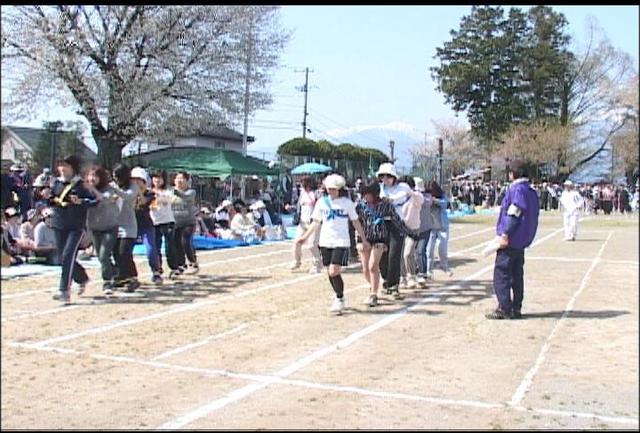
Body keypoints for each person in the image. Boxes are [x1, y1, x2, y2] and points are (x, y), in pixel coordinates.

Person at [296, 174, 369, 315]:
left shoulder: (347, 203)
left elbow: (355, 221)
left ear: (340, 189)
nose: (331, 191)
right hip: (325, 241)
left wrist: (363, 238)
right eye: (328, 189)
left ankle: (339, 298)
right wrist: (304, 237)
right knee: (329, 271)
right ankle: (339, 295)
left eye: (334, 189)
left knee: (334, 270)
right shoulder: (321, 203)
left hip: (341, 241)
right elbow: (315, 222)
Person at [486, 159, 539, 320]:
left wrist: (506, 233)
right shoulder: (530, 190)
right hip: (522, 239)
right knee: (517, 274)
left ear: (513, 173)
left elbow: (514, 212)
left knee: (502, 273)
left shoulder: (517, 189)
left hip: (512, 238)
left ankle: (504, 307)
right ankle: (516, 307)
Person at [355, 181, 415, 307]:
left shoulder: (385, 205)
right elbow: (356, 222)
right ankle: (373, 286)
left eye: (369, 193)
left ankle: (373, 295)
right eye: (364, 193)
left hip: (380, 238)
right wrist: (357, 239)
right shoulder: (360, 205)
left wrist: (410, 233)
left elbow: (396, 220)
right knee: (365, 269)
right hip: (364, 238)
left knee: (373, 266)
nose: (367, 196)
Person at [49, 155, 95, 303]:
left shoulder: (80, 185)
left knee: (68, 254)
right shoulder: (56, 183)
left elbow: (94, 201)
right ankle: (82, 277)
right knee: (63, 257)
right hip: (59, 224)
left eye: (65, 166)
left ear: (73, 168)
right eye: (60, 165)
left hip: (75, 226)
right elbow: (51, 200)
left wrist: (80, 201)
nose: (62, 169)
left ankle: (64, 290)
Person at [376, 162, 412, 296]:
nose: (385, 179)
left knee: (394, 255)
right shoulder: (379, 187)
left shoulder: (402, 187)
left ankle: (394, 284)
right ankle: (385, 279)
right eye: (382, 176)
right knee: (382, 255)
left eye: (388, 176)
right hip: (382, 224)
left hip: (397, 224)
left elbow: (406, 194)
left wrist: (390, 199)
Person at [85, 165, 120, 295]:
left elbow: (104, 199)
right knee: (101, 257)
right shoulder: (85, 190)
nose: (92, 178)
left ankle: (107, 282)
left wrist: (92, 189)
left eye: (95, 176)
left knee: (104, 254)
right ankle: (114, 270)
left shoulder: (110, 189)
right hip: (94, 227)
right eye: (90, 176)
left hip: (110, 226)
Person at [111, 163, 141, 292]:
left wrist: (115, 190)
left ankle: (133, 277)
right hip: (115, 225)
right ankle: (122, 276)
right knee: (116, 253)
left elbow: (128, 196)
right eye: (114, 177)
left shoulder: (133, 186)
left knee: (125, 252)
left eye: (117, 177)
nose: (115, 180)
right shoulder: (112, 186)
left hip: (129, 226)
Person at [131, 167, 163, 285]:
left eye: (139, 180)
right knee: (124, 251)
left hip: (146, 226)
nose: (136, 183)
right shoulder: (129, 193)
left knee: (150, 249)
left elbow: (144, 202)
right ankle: (127, 274)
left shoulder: (150, 193)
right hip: (132, 226)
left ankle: (156, 272)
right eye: (134, 180)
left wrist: (138, 191)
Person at [287, 176, 322, 273]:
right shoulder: (302, 194)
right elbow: (299, 207)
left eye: (304, 183)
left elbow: (321, 206)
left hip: (313, 222)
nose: (302, 185)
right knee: (296, 242)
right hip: (302, 222)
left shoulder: (317, 193)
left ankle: (317, 265)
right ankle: (296, 261)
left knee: (312, 245)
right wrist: (292, 208)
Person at [150, 170, 179, 279]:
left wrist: (157, 195)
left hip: (167, 221)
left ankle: (174, 268)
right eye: (155, 177)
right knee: (155, 246)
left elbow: (170, 200)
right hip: (154, 222)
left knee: (169, 246)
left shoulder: (168, 191)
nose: (157, 180)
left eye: (160, 178)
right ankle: (157, 268)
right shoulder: (148, 191)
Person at [397, 176, 424, 289]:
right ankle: (402, 277)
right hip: (401, 229)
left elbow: (420, 199)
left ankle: (411, 276)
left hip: (413, 229)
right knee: (400, 254)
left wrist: (410, 192)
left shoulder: (416, 197)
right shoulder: (398, 198)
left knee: (408, 253)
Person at [172, 171, 198, 275]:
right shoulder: (170, 193)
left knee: (185, 241)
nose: (179, 180)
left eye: (182, 178)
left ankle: (193, 261)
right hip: (176, 222)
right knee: (176, 243)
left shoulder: (191, 192)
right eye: (177, 178)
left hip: (188, 222)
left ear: (187, 181)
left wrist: (173, 191)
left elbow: (184, 196)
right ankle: (181, 264)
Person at [426, 180, 453, 278]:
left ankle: (444, 266)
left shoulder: (442, 196)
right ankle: (428, 270)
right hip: (431, 227)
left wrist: (435, 200)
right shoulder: (426, 197)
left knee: (442, 248)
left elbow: (445, 204)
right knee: (429, 250)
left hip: (442, 227)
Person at [413, 177, 433, 284]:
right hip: (414, 229)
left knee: (421, 251)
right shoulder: (412, 198)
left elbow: (425, 202)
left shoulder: (427, 198)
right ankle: (416, 271)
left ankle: (423, 272)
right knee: (414, 252)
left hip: (425, 228)